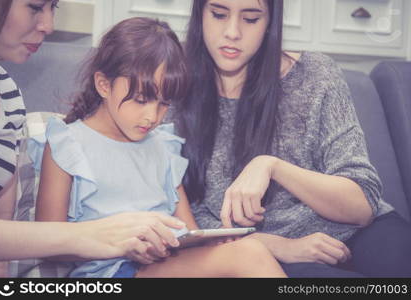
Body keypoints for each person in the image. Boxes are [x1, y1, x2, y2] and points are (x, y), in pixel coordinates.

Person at [166, 0, 411, 277]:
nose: (232, 32)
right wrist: (272, 245)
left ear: (270, 22)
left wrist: (272, 166)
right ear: (200, 13)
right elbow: (182, 223)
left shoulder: (316, 75)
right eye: (219, 14)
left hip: (365, 233)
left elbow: (362, 207)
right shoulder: (170, 86)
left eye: (250, 19)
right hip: (266, 255)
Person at [30, 16, 286, 278]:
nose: (152, 117)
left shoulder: (163, 146)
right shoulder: (67, 143)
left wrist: (210, 242)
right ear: (104, 84)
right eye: (141, 100)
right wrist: (121, 244)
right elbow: (50, 243)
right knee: (248, 256)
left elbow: (187, 229)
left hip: (167, 264)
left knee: (247, 248)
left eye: (164, 104)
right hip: (112, 271)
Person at [0, 0, 186, 277]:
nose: (49, 25)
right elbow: (50, 235)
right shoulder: (68, 143)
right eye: (35, 7)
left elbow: (2, 223)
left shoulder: (8, 95)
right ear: (103, 85)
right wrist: (108, 238)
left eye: (54, 8)